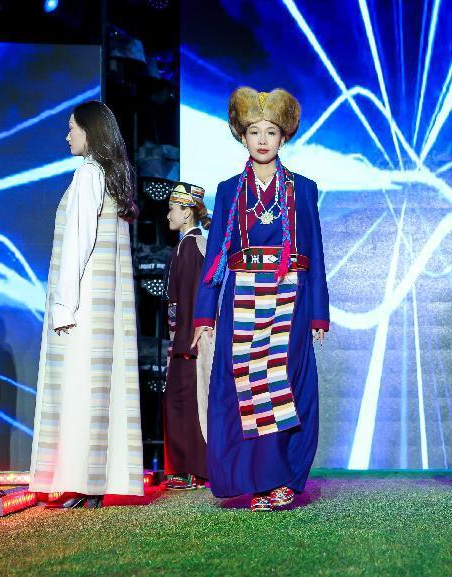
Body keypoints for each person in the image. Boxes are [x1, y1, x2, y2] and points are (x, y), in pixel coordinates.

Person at [191, 87, 329, 511]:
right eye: (254, 132)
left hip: (290, 297)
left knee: (280, 383)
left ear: (284, 136)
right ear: (242, 136)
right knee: (247, 384)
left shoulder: (302, 189)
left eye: (271, 131)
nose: (263, 140)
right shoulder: (229, 190)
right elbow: (216, 256)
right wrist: (204, 315)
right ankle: (258, 479)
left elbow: (315, 250)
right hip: (242, 297)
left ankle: (279, 479)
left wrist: (318, 314)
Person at [29, 101, 142, 508]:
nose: (67, 136)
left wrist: (64, 307)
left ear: (90, 132)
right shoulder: (112, 177)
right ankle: (93, 481)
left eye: (72, 128)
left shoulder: (88, 174)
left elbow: (77, 244)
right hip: (104, 306)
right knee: (100, 392)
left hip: (83, 303)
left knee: (78, 391)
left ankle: (83, 481)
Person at [163, 182, 213, 490]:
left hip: (190, 340)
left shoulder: (192, 247)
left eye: (172, 209)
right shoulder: (191, 246)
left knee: (189, 401)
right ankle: (191, 468)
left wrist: (184, 340)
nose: (169, 214)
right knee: (187, 400)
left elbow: (193, 298)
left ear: (186, 212)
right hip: (187, 338)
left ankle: (192, 469)